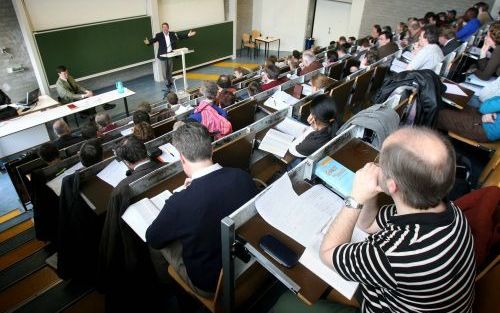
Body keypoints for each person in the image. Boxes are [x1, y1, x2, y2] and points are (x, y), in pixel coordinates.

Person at [274, 127, 476, 313]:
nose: (374, 165)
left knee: (285, 303)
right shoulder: (449, 211)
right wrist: (369, 194)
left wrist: (356, 198)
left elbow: (327, 253)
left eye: (380, 161)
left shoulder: (394, 254)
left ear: (393, 185)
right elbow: (368, 225)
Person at [146, 122, 257, 297]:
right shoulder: (242, 176)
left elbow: (153, 238)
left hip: (211, 284)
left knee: (159, 241)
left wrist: (183, 194)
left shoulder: (179, 203)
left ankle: (166, 288)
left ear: (182, 158)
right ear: (211, 150)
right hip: (247, 264)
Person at [144, 22, 196, 90]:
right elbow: (154, 40)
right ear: (162, 28)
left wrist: (188, 35)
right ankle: (168, 80)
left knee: (170, 69)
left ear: (168, 28)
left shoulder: (172, 34)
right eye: (163, 27)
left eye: (166, 27)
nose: (164, 28)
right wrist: (149, 42)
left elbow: (180, 37)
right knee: (164, 72)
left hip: (170, 54)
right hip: (163, 55)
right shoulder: (159, 35)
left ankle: (170, 82)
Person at [289, 94, 338, 158]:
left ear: (314, 119)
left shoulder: (314, 142)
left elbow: (292, 149)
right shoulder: (334, 122)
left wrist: (312, 128)